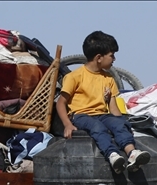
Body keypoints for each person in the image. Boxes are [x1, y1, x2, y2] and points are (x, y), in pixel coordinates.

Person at [56, 30, 150, 174]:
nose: (114, 59)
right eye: (112, 55)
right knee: (97, 127)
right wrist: (67, 124)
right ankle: (112, 155)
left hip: (102, 115)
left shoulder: (109, 79)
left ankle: (132, 153)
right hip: (81, 115)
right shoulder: (74, 77)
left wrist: (123, 123)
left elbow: (113, 109)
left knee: (118, 123)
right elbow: (61, 103)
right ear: (99, 57)